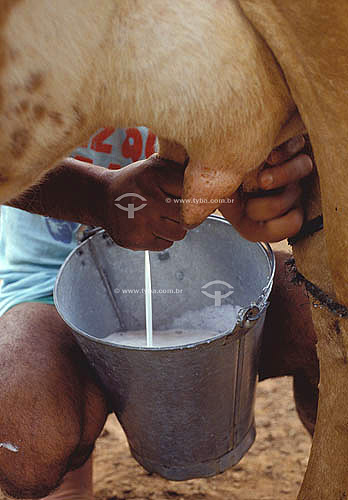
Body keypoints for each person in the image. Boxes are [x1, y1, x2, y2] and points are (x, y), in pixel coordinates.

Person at [0, 128, 317, 500]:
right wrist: (95, 196)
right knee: (25, 438)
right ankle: (68, 483)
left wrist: (259, 175)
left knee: (327, 320)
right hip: (47, 282)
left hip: (201, 264)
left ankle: (335, 462)